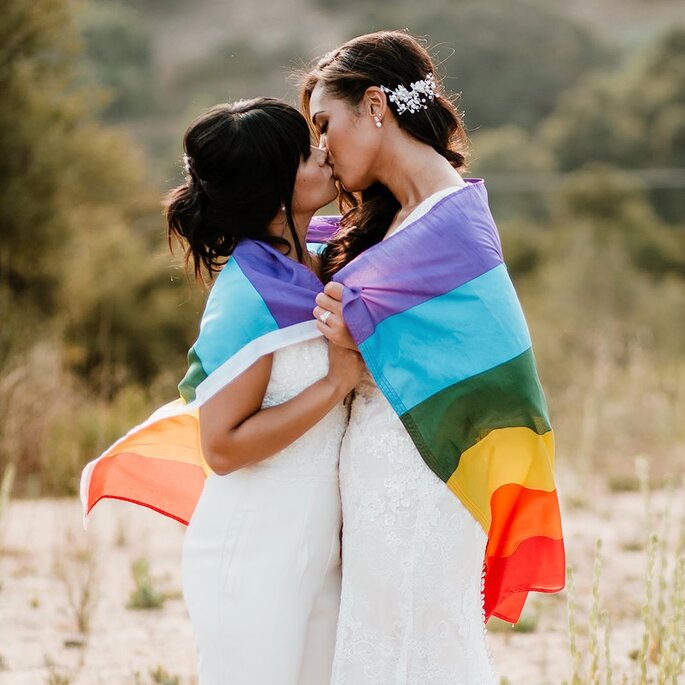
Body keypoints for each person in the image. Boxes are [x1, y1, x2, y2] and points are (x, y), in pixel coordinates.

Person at [300, 31, 565, 684]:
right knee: (376, 642)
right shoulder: (383, 221)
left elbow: (493, 371)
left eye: (323, 124)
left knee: (420, 645)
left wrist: (352, 334)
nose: (320, 148)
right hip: (373, 469)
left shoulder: (452, 223)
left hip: (428, 471)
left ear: (374, 107)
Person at [81, 98, 364, 684]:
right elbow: (224, 447)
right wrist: (338, 382)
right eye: (305, 152)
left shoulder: (323, 261)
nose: (324, 153)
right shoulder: (247, 294)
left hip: (322, 549)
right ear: (273, 188)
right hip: (255, 549)